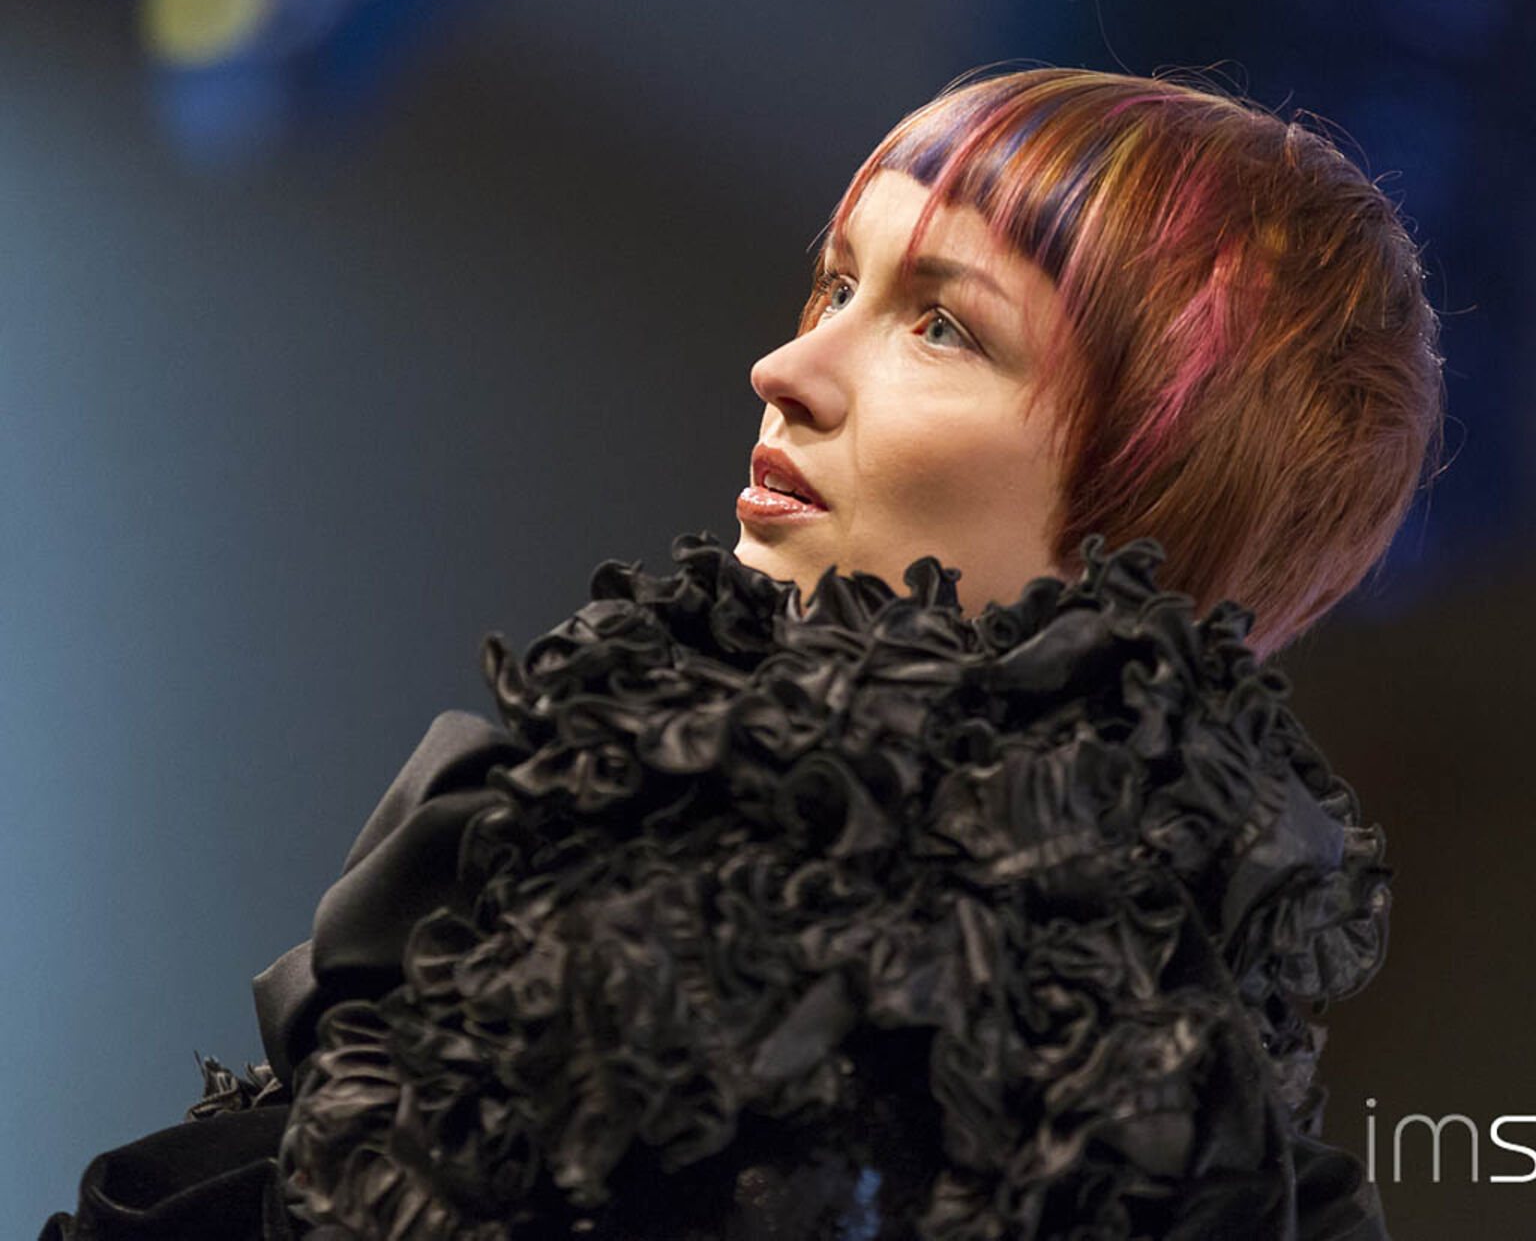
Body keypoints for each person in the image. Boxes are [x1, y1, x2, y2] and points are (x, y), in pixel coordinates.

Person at [42, 66, 1442, 1240]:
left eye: (942, 325)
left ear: (1163, 499)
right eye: (835, 287)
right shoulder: (586, 859)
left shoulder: (1054, 1115)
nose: (788, 368)